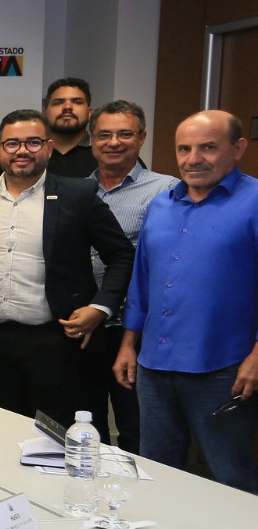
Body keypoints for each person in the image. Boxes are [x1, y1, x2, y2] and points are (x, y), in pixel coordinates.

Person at [0, 109, 134, 423]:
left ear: (49, 148)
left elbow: (122, 255)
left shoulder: (77, 195)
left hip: (54, 343)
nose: (22, 151)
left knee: (52, 436)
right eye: (12, 143)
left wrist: (100, 307)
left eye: (33, 142)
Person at [115, 110, 258, 492]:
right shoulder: (161, 205)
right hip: (154, 366)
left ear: (238, 148)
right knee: (157, 472)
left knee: (231, 477)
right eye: (184, 149)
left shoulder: (255, 202)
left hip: (223, 367)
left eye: (208, 148)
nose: (194, 159)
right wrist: (128, 344)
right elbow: (142, 280)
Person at [78, 100, 176, 451]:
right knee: (85, 427)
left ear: (141, 138)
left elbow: (163, 263)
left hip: (134, 329)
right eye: (104, 134)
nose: (114, 142)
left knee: (137, 430)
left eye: (124, 134)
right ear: (91, 139)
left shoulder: (166, 191)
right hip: (84, 327)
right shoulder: (77, 190)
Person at [42, 77, 98, 178]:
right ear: (45, 113)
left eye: (77, 102)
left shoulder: (105, 152)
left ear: (89, 113)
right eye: (58, 102)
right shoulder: (31, 152)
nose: (67, 107)